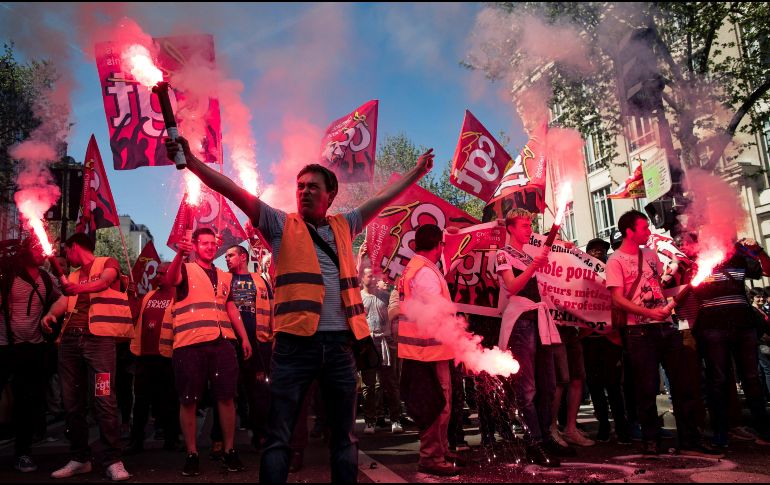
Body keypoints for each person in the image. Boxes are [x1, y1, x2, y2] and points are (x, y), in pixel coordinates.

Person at [166, 135, 435, 484]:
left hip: (340, 348)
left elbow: (383, 198)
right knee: (278, 439)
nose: (304, 191)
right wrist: (193, 161)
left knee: (344, 438)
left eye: (312, 187)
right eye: (300, 186)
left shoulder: (346, 224)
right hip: (294, 347)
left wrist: (416, 171)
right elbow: (232, 190)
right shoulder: (280, 223)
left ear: (330, 195)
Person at [606, 210, 718, 457]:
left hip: (666, 326)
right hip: (639, 332)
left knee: (683, 383)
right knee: (646, 388)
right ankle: (651, 441)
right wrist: (646, 313)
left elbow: (657, 286)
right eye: (644, 228)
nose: (649, 232)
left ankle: (689, 439)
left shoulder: (650, 254)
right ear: (629, 232)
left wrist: (676, 288)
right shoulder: (614, 261)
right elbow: (617, 299)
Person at [160, 228, 252, 476]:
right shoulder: (185, 268)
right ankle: (192, 453)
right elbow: (170, 280)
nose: (211, 247)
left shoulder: (224, 276)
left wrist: (243, 337)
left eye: (214, 243)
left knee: (227, 397)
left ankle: (229, 450)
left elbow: (231, 308)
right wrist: (180, 253)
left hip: (222, 343)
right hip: (190, 344)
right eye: (205, 243)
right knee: (188, 400)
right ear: (195, 245)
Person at [40, 233, 133, 481]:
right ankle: (80, 458)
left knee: (104, 399)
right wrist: (50, 314)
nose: (66, 256)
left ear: (74, 247)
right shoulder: (72, 275)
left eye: (66, 250)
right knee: (71, 403)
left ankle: (113, 460)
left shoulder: (107, 262)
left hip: (99, 341)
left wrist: (78, 287)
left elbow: (104, 282)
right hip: (69, 342)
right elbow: (63, 300)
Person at [496, 209, 566, 467]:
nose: (529, 229)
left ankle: (545, 436)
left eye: (530, 224)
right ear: (511, 228)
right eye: (525, 225)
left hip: (538, 322)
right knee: (527, 389)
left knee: (547, 384)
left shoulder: (525, 255)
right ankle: (533, 443)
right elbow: (512, 287)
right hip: (521, 324)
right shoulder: (503, 254)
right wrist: (533, 266)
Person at [693, 239, 770, 447]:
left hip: (743, 325)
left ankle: (764, 430)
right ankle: (721, 431)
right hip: (713, 327)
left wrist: (758, 250)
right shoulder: (696, 256)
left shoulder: (738, 255)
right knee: (717, 380)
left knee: (752, 379)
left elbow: (767, 271)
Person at [398, 224, 459, 476]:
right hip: (429, 353)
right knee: (436, 404)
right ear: (438, 245)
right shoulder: (424, 272)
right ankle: (431, 456)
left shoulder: (420, 268)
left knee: (438, 402)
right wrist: (461, 342)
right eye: (443, 243)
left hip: (427, 352)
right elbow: (437, 314)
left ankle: (440, 450)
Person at [0, 238, 61, 473]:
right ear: (26, 251)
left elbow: (65, 296)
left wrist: (52, 315)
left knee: (26, 404)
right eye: (36, 249)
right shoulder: (8, 274)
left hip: (33, 348)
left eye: (42, 248)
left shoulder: (47, 278)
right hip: (4, 346)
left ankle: (23, 453)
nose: (41, 253)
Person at [125, 262, 180, 454]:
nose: (157, 276)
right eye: (157, 273)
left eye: (162, 273)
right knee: (141, 402)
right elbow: (133, 315)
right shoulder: (149, 295)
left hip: (168, 357)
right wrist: (131, 297)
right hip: (145, 357)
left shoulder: (178, 296)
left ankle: (171, 439)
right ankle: (136, 441)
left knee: (170, 401)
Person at [223, 244, 274, 448]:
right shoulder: (223, 279)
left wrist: (273, 335)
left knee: (259, 391)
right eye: (226, 256)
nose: (227, 259)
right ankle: (221, 439)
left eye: (231, 255)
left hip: (259, 343)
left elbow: (271, 308)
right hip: (230, 342)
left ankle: (261, 434)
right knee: (227, 391)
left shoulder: (260, 280)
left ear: (243, 257)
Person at [581, 238, 630, 444]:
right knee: (595, 385)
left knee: (613, 385)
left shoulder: (613, 274)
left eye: (602, 250)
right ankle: (603, 425)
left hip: (611, 338)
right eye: (594, 250)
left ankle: (621, 426)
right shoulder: (580, 277)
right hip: (588, 339)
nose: (598, 253)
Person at [359, 264, 403, 435]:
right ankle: (370, 421)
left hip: (385, 343)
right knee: (368, 385)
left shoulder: (386, 296)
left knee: (391, 383)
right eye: (369, 275)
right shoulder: (359, 298)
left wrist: (393, 338)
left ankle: (396, 419)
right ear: (362, 278)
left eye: (374, 275)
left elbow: (395, 319)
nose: (373, 278)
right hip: (368, 345)